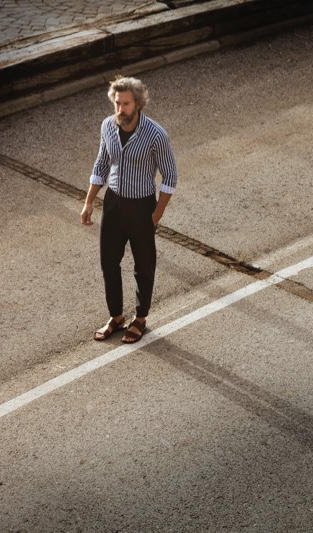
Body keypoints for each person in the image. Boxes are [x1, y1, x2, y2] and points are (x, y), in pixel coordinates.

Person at [80, 75, 177, 344]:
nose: (120, 109)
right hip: (113, 205)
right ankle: (117, 316)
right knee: (108, 263)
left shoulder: (156, 135)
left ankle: (141, 319)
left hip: (141, 207)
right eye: (117, 103)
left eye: (125, 104)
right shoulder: (107, 127)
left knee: (143, 266)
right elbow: (101, 165)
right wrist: (89, 202)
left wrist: (155, 216)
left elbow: (170, 177)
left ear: (138, 104)